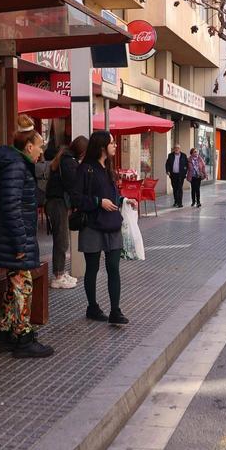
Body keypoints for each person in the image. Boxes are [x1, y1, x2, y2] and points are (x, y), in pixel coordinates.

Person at [0, 114, 55, 358]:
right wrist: (19, 244)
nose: (41, 152)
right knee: (23, 286)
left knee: (13, 287)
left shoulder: (13, 163)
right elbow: (11, 207)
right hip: (14, 239)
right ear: (28, 146)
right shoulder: (16, 166)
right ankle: (23, 339)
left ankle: (4, 335)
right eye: (39, 146)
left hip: (9, 237)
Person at [77, 130, 135, 325]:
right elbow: (76, 198)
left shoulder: (108, 167)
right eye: (112, 143)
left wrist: (124, 200)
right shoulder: (85, 169)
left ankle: (115, 311)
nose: (115, 145)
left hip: (112, 224)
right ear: (102, 146)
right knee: (92, 268)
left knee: (113, 268)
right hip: (92, 225)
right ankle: (92, 307)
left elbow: (112, 195)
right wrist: (98, 202)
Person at [44, 135, 87, 289]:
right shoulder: (69, 162)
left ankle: (60, 272)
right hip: (58, 203)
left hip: (56, 202)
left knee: (61, 239)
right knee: (61, 240)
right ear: (82, 151)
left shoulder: (65, 157)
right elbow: (73, 185)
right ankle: (58, 276)